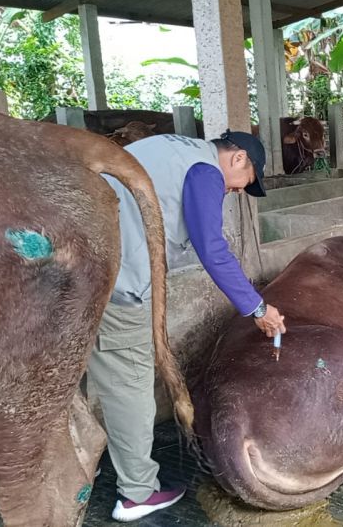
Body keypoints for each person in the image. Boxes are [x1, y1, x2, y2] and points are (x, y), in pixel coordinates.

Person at [90, 130, 287, 521]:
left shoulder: (174, 148)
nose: (234, 193)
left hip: (86, 264)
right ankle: (137, 493)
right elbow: (211, 247)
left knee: (81, 375)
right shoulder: (205, 171)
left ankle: (81, 462)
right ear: (238, 159)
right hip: (117, 281)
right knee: (129, 381)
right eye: (243, 185)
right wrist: (257, 307)